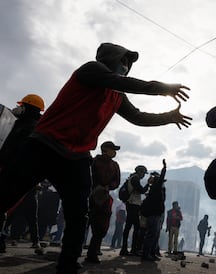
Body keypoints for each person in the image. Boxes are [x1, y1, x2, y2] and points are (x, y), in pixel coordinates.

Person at [0, 42, 192, 273]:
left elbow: (138, 117)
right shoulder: (91, 70)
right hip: (44, 144)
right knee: (5, 194)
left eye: (128, 64)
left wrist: (168, 117)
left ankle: (68, 265)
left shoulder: (117, 96)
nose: (126, 67)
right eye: (123, 61)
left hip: (77, 156)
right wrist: (164, 88)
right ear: (109, 59)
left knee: (78, 215)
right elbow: (121, 82)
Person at [0, 94, 44, 254]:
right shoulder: (27, 124)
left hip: (15, 173)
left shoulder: (28, 127)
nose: (18, 108)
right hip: (20, 175)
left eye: (22, 106)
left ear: (27, 107)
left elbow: (13, 150)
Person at [85, 141, 121, 264]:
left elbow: (116, 182)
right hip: (91, 196)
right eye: (113, 149)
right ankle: (77, 250)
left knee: (101, 227)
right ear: (105, 150)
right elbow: (87, 176)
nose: (114, 152)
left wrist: (107, 187)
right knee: (85, 223)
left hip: (104, 198)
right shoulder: (94, 162)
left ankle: (93, 252)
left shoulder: (115, 165)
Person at [140, 159, 167, 261]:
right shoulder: (156, 188)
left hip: (154, 214)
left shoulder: (153, 189)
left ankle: (149, 253)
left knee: (152, 235)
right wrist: (164, 168)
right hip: (154, 215)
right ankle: (146, 254)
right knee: (151, 235)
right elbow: (161, 178)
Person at [120, 165, 149, 256]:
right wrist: (148, 184)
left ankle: (126, 248)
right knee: (135, 227)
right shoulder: (135, 179)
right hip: (133, 205)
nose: (144, 175)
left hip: (131, 204)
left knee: (129, 227)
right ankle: (132, 249)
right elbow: (142, 190)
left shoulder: (132, 178)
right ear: (139, 172)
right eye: (143, 173)